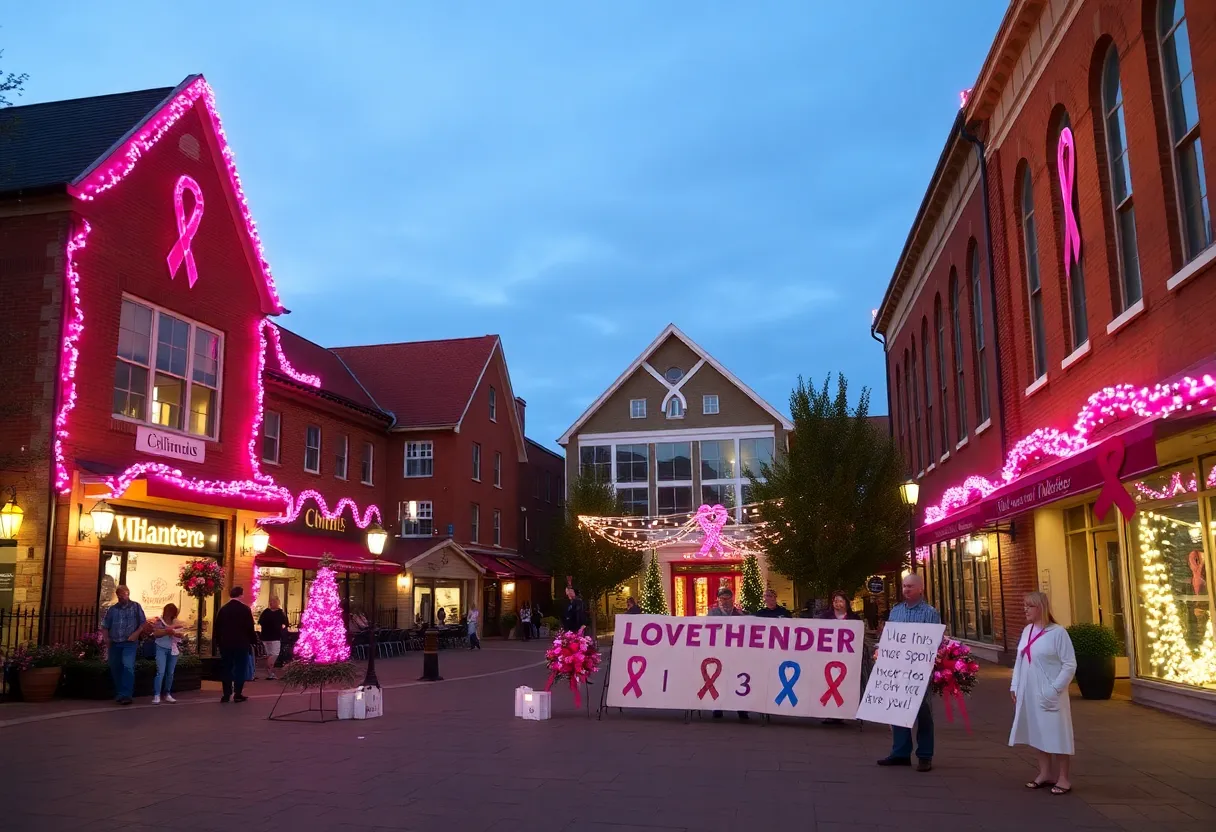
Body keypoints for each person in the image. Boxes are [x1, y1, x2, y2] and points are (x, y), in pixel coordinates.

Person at [1010, 591, 1077, 795]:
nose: (1025, 610)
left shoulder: (1058, 633)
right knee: (1037, 730)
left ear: (1041, 608)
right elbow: (1020, 659)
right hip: (1029, 691)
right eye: (1025, 606)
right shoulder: (1027, 630)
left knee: (1057, 732)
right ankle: (1045, 773)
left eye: (1029, 606)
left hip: (1050, 692)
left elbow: (1069, 664)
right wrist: (1015, 685)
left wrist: (1055, 689)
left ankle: (1064, 778)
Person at [876, 573, 941, 772]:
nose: (906, 589)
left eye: (910, 586)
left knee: (923, 712)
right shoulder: (896, 611)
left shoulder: (930, 613)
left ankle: (924, 755)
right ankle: (900, 753)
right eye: (904, 586)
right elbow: (890, 637)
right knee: (898, 709)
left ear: (921, 588)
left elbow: (935, 641)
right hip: (898, 669)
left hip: (920, 671)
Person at [819, 590, 861, 724]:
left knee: (845, 684)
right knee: (827, 683)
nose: (838, 603)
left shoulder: (854, 618)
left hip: (848, 657)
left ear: (846, 603)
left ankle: (843, 712)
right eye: (835, 601)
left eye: (840, 601)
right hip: (829, 655)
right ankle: (830, 713)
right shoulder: (826, 617)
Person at [708, 586, 748, 721]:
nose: (725, 601)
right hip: (719, 652)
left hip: (736, 654)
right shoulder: (713, 614)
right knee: (719, 680)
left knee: (738, 680)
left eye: (727, 598)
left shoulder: (740, 614)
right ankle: (717, 708)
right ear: (718, 600)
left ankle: (741, 710)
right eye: (722, 598)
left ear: (732, 599)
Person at [101, 585, 146, 706]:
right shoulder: (112, 609)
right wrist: (106, 639)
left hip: (129, 643)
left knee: (127, 666)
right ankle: (120, 693)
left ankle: (126, 695)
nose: (121, 596)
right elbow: (105, 625)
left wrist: (136, 634)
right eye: (119, 594)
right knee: (115, 667)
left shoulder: (136, 607)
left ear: (128, 593)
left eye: (123, 593)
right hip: (115, 643)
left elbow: (143, 623)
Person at [214, 586, 256, 703]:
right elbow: (249, 627)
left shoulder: (223, 609)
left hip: (226, 644)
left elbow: (217, 627)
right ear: (241, 595)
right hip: (241, 643)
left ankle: (226, 694)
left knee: (227, 668)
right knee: (240, 668)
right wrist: (253, 641)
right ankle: (238, 693)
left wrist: (218, 642)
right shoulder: (245, 610)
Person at [151, 603, 185, 704]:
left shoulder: (176, 622)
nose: (170, 613)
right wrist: (168, 631)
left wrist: (176, 633)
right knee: (160, 672)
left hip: (173, 649)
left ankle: (167, 693)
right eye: (168, 611)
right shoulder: (159, 621)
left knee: (170, 673)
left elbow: (181, 634)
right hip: (161, 648)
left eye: (172, 612)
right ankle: (157, 695)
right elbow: (156, 633)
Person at [258, 596, 290, 681]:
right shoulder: (278, 613)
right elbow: (285, 623)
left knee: (270, 654)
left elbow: (260, 622)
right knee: (274, 654)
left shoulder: (267, 612)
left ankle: (270, 673)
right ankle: (270, 670)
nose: (271, 603)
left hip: (266, 636)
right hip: (273, 636)